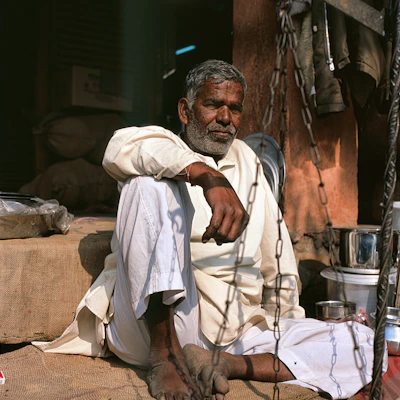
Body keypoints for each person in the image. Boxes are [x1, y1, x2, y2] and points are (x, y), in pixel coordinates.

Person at [34, 60, 379, 400]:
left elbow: (280, 264)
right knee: (147, 186)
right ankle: (166, 357)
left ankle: (228, 364)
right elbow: (118, 149)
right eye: (213, 104)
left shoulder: (249, 161)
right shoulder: (161, 145)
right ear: (185, 111)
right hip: (159, 322)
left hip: (238, 330)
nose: (226, 118)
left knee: (362, 343)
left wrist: (287, 330)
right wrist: (206, 176)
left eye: (234, 108)